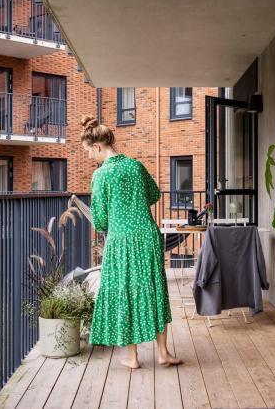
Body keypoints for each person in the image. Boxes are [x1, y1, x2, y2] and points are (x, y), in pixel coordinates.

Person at [81, 115, 182, 369]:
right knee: (154, 291)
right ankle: (162, 353)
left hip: (120, 241)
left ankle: (132, 357)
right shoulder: (135, 166)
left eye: (88, 152)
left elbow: (101, 221)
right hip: (147, 235)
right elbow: (155, 194)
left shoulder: (101, 176)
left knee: (125, 293)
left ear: (97, 146)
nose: (90, 158)